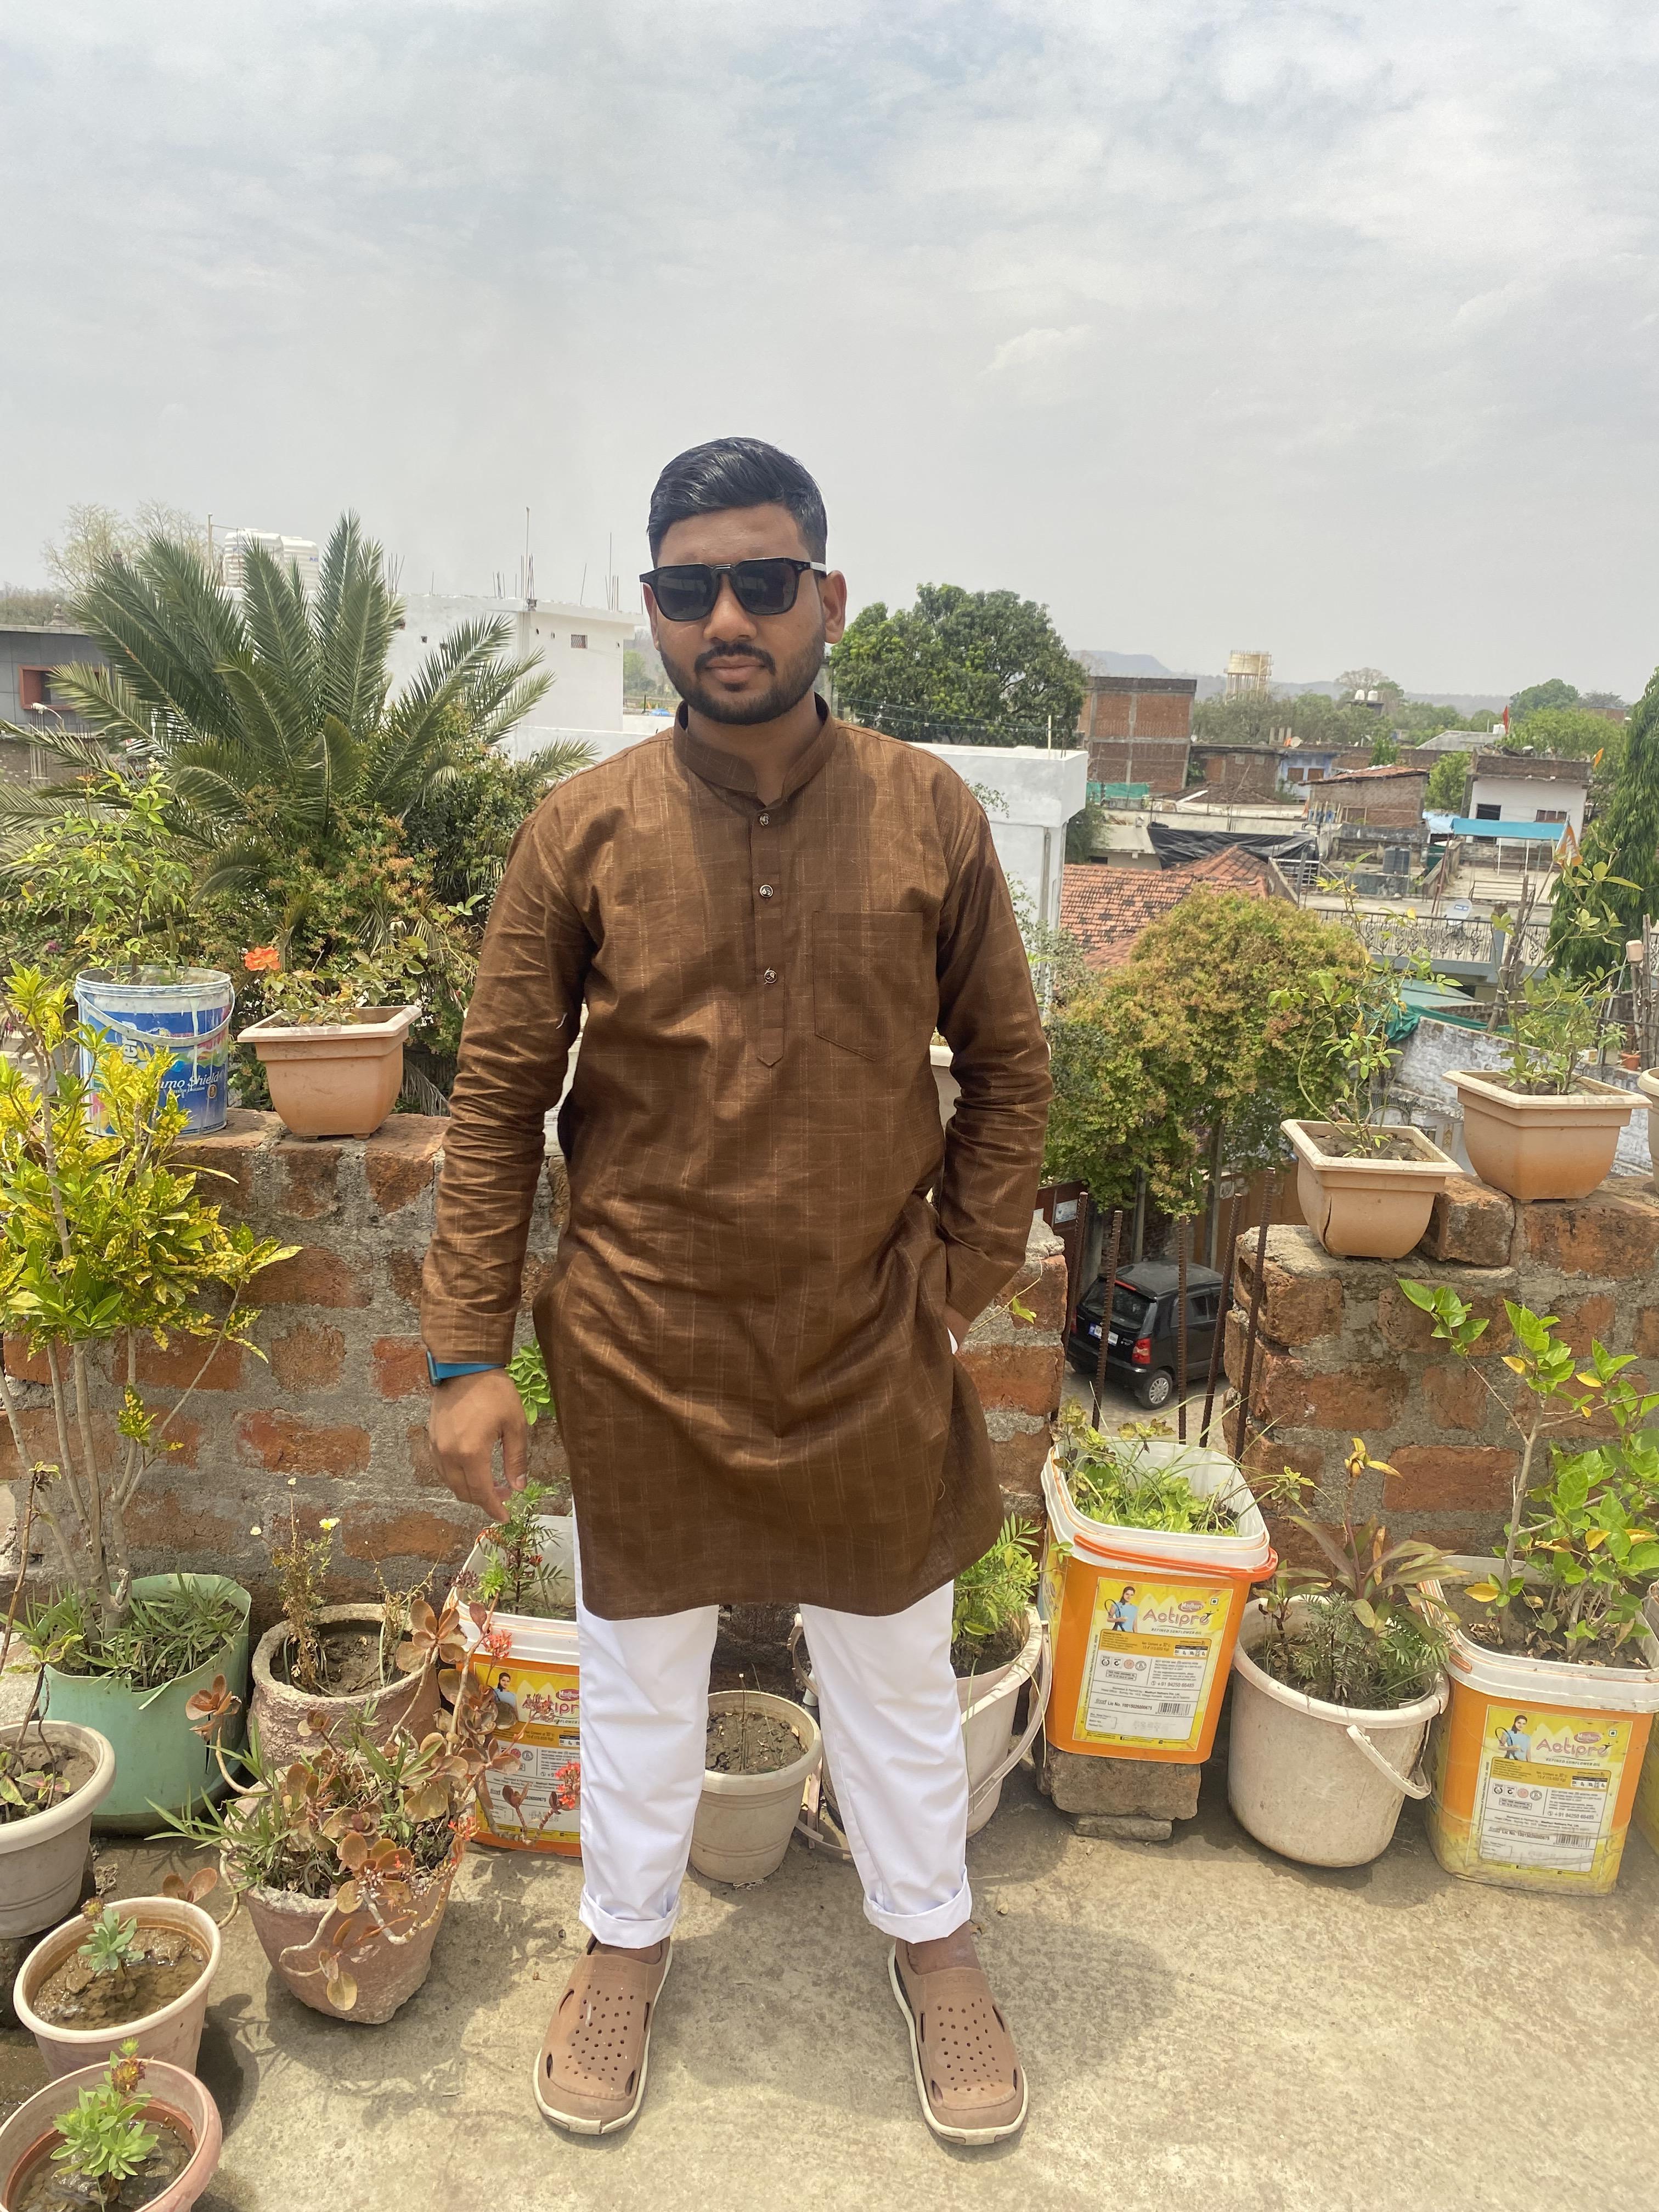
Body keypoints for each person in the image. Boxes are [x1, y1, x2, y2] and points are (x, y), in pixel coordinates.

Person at [422, 436, 1051, 2147]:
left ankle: (935, 1945)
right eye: (690, 588)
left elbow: (1009, 1068)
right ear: (652, 609)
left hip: (867, 1342)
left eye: (763, 583)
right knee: (638, 1678)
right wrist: (466, 1354)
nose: (728, 618)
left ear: (826, 597)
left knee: (896, 1673)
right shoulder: (582, 830)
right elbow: (497, 1098)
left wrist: (957, 1281)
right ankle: (624, 1949)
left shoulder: (929, 812)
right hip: (644, 1339)